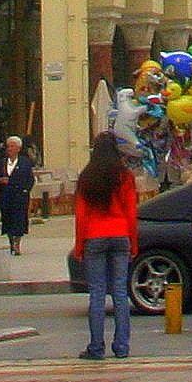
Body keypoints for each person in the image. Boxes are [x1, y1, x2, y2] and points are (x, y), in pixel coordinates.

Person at [71, 138, 139, 361]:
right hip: (120, 234)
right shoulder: (124, 176)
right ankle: (122, 346)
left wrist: (79, 246)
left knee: (97, 293)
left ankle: (96, 347)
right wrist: (133, 242)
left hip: (94, 235)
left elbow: (81, 215)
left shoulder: (87, 177)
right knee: (120, 292)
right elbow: (131, 211)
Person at [0, 135, 34, 258]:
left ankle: (17, 243)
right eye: (8, 146)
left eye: (12, 146)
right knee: (7, 219)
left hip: (19, 196)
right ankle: (11, 241)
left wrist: (25, 190)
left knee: (19, 220)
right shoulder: (2, 162)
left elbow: (30, 179)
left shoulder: (25, 162)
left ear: (18, 148)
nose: (10, 149)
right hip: (6, 195)